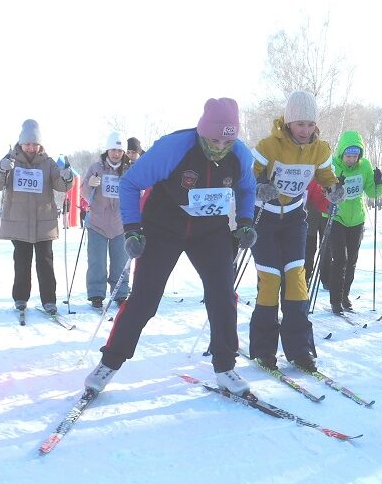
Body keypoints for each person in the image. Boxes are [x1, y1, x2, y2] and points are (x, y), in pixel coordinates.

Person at [84, 98, 256, 396]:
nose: (220, 146)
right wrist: (132, 230)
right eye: (214, 139)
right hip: (164, 227)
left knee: (223, 296)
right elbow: (129, 184)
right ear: (202, 131)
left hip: (209, 229)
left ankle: (226, 367)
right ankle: (109, 363)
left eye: (228, 139)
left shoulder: (239, 154)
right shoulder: (174, 148)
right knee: (145, 299)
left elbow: (246, 188)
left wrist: (245, 221)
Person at [249, 90, 341, 372]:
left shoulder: (320, 149)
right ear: (289, 122)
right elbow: (247, 176)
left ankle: (300, 349)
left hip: (293, 219)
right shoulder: (268, 146)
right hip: (263, 217)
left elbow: (326, 178)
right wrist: (259, 186)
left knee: (297, 280)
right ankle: (264, 350)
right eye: (300, 123)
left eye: (310, 124)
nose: (306, 130)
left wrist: (334, 190)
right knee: (271, 280)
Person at [0, 119, 74, 316]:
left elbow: (61, 185)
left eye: (34, 144)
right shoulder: (10, 160)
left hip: (43, 221)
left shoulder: (48, 162)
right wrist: (2, 169)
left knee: (45, 262)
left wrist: (67, 177)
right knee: (21, 261)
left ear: (40, 144)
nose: (31, 147)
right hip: (18, 221)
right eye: (27, 143)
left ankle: (49, 300)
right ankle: (20, 297)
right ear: (20, 143)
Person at [326, 130, 382, 315]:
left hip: (357, 219)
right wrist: (335, 186)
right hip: (337, 218)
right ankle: (335, 300)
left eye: (355, 156)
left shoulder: (365, 166)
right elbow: (323, 191)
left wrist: (378, 182)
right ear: (341, 154)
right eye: (348, 155)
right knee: (340, 260)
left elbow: (372, 193)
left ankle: (345, 296)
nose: (351, 159)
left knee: (352, 260)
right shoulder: (333, 166)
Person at [81, 131, 131, 309]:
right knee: (97, 261)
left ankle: (121, 293)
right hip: (97, 223)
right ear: (107, 150)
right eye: (113, 150)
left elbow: (136, 191)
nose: (116, 154)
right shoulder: (96, 167)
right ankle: (96, 293)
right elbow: (84, 193)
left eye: (119, 150)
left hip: (120, 223)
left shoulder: (128, 169)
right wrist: (89, 185)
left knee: (120, 261)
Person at [303, 178, 331, 290]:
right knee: (309, 249)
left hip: (326, 212)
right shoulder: (311, 168)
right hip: (310, 212)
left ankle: (326, 278)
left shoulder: (331, 168)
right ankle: (305, 278)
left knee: (326, 249)